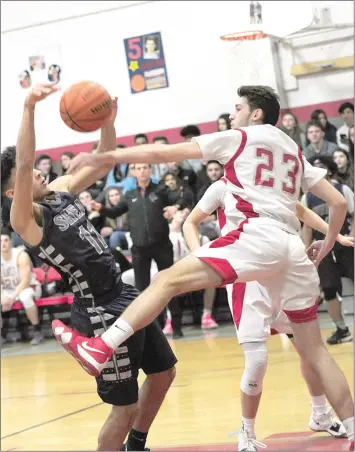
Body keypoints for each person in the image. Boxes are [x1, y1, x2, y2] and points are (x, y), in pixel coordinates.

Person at [61, 85, 354, 450]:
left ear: (255, 113)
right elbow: (338, 202)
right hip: (292, 247)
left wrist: (104, 158)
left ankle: (100, 346)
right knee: (316, 352)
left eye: (238, 108)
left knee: (166, 280)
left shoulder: (240, 137)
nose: (234, 114)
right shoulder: (293, 149)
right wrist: (328, 244)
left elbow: (164, 151)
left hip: (256, 236)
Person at [1, 85, 177, 451]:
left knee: (163, 373)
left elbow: (106, 158)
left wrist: (108, 123)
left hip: (126, 296)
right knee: (123, 407)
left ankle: (136, 445)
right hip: (98, 311)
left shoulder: (60, 189)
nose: (36, 171)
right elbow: (24, 161)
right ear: (12, 192)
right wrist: (29, 108)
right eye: (27, 173)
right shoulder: (27, 219)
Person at [183, 177, 352, 450]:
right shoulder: (222, 187)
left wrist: (336, 235)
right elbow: (189, 222)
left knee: (310, 351)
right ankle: (246, 431)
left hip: (282, 271)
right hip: (246, 278)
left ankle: (320, 415)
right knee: (258, 361)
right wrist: (202, 257)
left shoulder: (267, 181)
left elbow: (301, 210)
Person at [302, 155, 354, 345]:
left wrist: (351, 236)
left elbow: (353, 215)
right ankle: (341, 329)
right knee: (329, 289)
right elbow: (306, 227)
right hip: (321, 246)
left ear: (329, 171)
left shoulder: (342, 189)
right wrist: (305, 251)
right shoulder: (307, 196)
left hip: (345, 243)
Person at [1, 230, 43, 345]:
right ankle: (2, 334)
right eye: (0, 241)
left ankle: (37, 330)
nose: (3, 243)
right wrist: (3, 296)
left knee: (25, 296)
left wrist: (11, 297)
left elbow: (25, 281)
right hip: (9, 290)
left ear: (11, 242)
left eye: (6, 240)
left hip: (29, 287)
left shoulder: (21, 255)